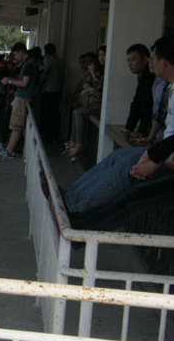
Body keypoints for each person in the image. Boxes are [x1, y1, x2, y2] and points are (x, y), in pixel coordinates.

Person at [64, 35, 174, 218]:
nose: (151, 63)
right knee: (116, 156)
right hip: (163, 150)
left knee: (126, 170)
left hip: (168, 158)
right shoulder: (167, 86)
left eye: (153, 59)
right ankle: (70, 196)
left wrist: (154, 156)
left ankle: (76, 208)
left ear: (164, 61)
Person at [0, 43, 39, 161]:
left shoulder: (28, 65)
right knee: (17, 126)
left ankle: (9, 150)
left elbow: (24, 83)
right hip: (24, 97)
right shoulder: (29, 64)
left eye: (15, 54)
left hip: (23, 98)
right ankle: (10, 149)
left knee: (16, 126)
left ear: (21, 52)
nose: (15, 58)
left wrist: (9, 81)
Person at [62, 52, 102, 159]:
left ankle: (78, 143)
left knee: (77, 112)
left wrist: (93, 73)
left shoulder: (98, 73)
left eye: (86, 62)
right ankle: (73, 141)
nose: (83, 65)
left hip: (96, 105)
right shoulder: (86, 74)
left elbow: (99, 86)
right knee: (75, 111)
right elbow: (79, 87)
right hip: (87, 103)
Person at [122, 43, 155, 137]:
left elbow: (147, 105)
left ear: (145, 60)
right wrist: (129, 127)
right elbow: (136, 103)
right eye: (128, 60)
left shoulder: (150, 77)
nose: (130, 64)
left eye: (133, 59)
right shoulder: (142, 77)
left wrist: (142, 131)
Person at [39, 43, 65, 145]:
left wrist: (39, 86)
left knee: (46, 116)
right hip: (57, 91)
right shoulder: (60, 61)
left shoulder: (48, 61)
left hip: (48, 91)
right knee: (55, 114)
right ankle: (54, 136)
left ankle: (47, 137)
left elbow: (44, 75)